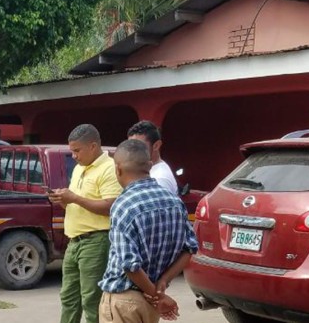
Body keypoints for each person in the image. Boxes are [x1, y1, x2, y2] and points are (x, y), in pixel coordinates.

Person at [98, 139, 198, 323]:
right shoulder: (174, 202)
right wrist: (162, 283)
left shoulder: (123, 205)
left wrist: (157, 295)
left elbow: (130, 265)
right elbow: (190, 248)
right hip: (150, 304)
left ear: (118, 169)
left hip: (123, 299)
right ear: (149, 166)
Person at [48, 124, 123, 323]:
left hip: (96, 240)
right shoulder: (80, 169)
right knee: (68, 297)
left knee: (91, 299)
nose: (73, 156)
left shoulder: (109, 168)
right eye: (71, 151)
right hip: (74, 241)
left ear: (92, 146)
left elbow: (110, 207)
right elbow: (79, 205)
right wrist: (64, 201)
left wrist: (74, 199)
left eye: (77, 151)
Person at [127, 120, 178, 195]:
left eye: (139, 146)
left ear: (156, 145)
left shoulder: (160, 179)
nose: (133, 151)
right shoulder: (151, 172)